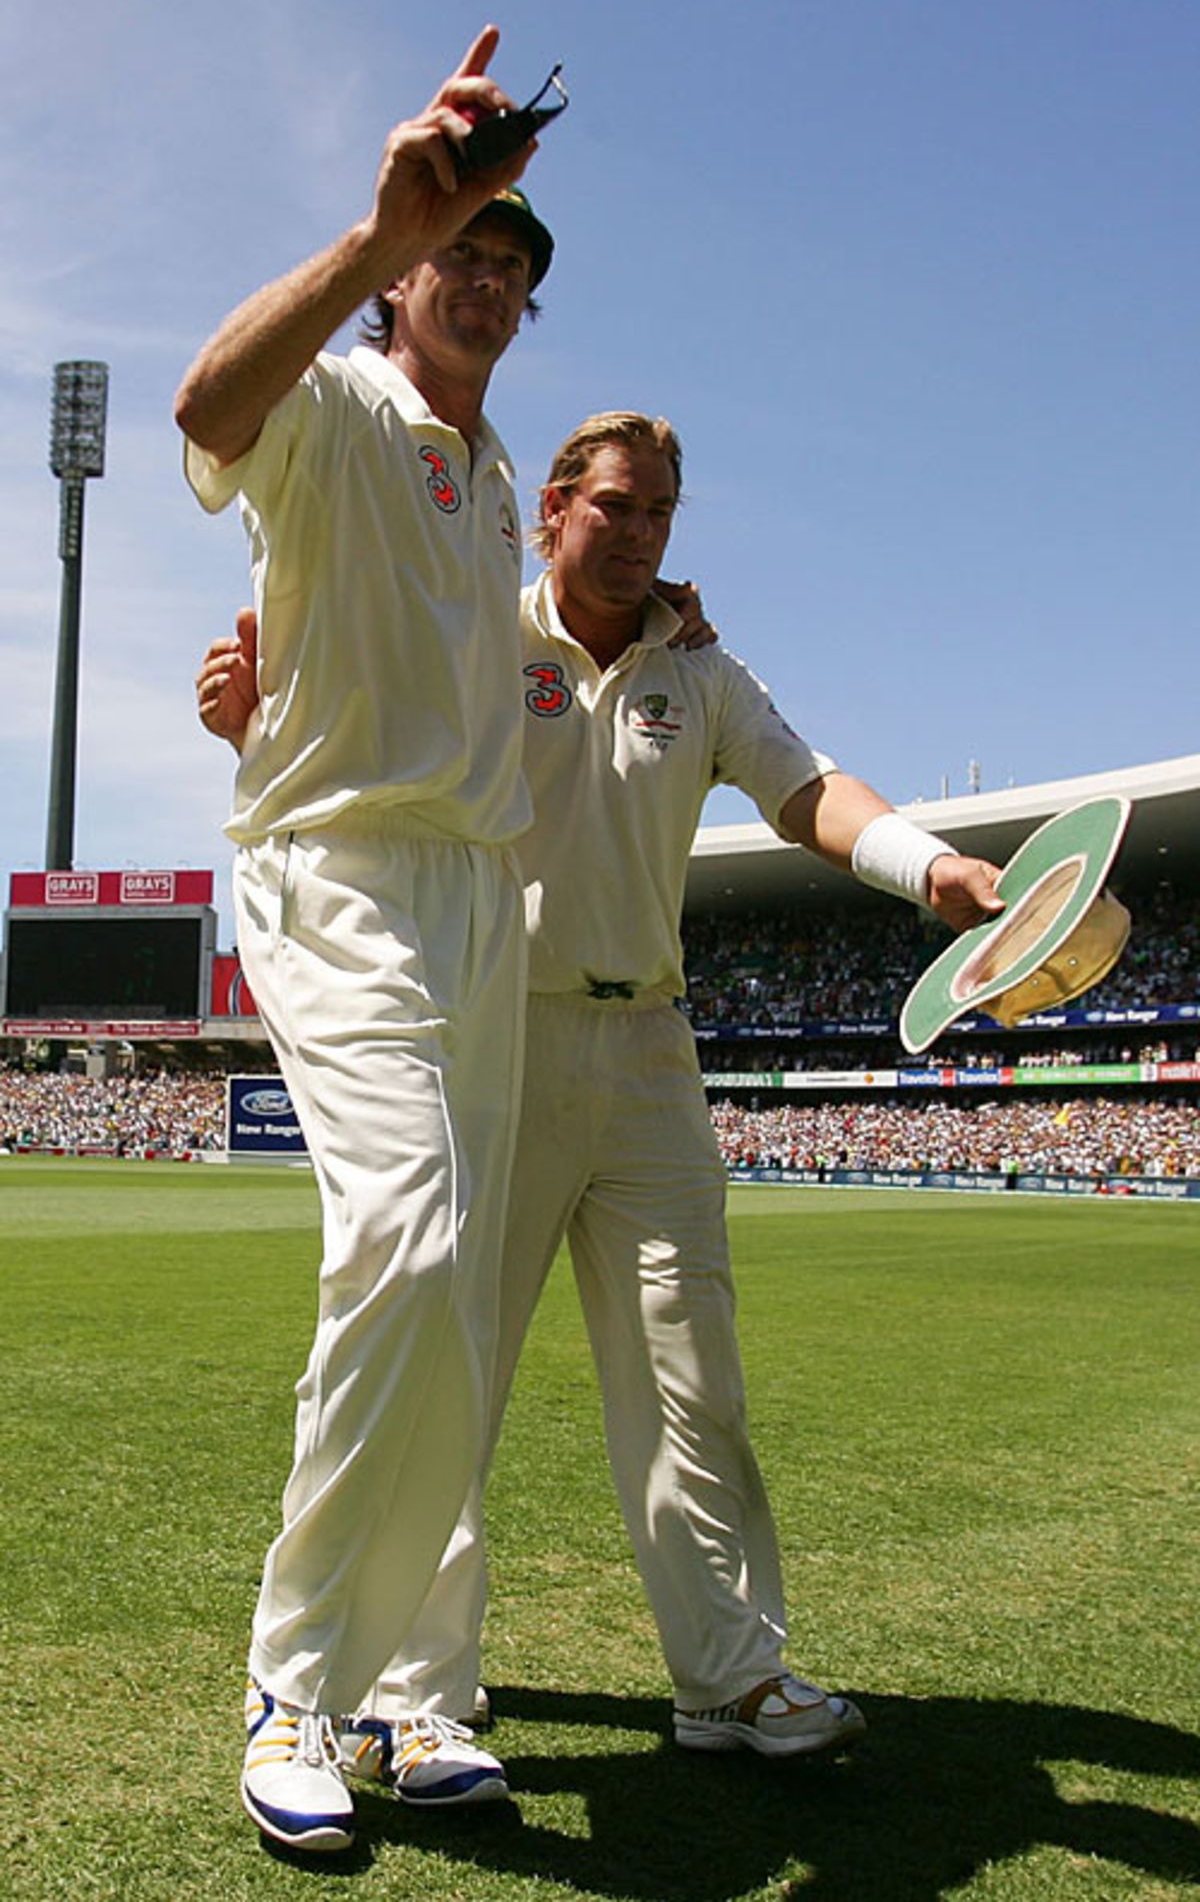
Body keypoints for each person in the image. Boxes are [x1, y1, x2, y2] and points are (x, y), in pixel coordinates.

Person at [198, 412, 1003, 1784]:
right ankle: (416, 1691)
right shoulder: (480, 635)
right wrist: (253, 717)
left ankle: (731, 1677)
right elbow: (361, 727)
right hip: (488, 1035)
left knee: (696, 1381)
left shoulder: (701, 671)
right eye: (617, 507)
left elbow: (805, 787)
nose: (638, 535)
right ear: (552, 508)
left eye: (661, 515)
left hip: (650, 1061)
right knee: (452, 1374)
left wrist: (929, 870)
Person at [174, 28, 557, 1856]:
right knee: (407, 1241)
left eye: (509, 265)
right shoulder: (333, 403)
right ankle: (297, 1682)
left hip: (483, 895)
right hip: (340, 875)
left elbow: (468, 666)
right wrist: (373, 219)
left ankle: (423, 1689)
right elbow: (203, 401)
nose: (483, 278)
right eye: (459, 252)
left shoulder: (496, 490)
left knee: (458, 1297)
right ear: (401, 279)